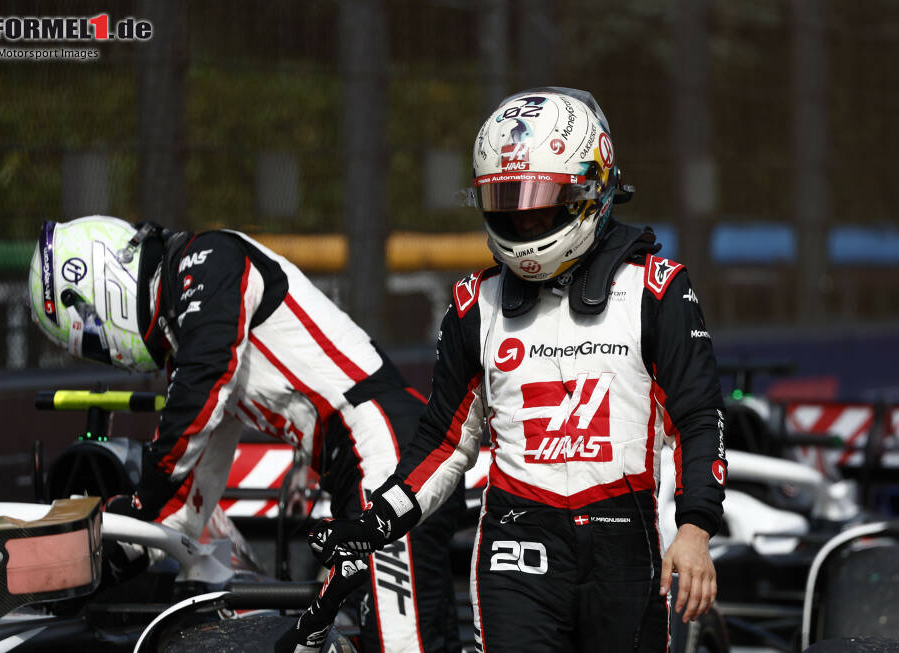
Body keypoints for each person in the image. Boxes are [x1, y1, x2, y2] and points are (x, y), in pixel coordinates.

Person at [308, 87, 728, 652]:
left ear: (590, 188)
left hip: (625, 543)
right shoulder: (471, 304)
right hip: (517, 540)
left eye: (538, 203)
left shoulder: (657, 287)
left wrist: (695, 529)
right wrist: (378, 519)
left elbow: (698, 418)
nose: (522, 220)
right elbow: (445, 440)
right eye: (506, 203)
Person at [27, 217, 463, 653]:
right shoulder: (194, 345)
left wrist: (140, 500)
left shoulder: (209, 261)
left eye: (89, 334)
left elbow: (200, 393)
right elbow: (185, 496)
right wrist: (110, 558)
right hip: (372, 458)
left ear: (100, 283)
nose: (105, 351)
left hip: (386, 451)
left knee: (399, 647)